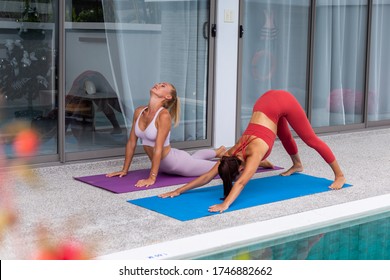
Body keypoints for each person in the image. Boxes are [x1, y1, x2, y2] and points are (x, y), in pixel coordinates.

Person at [159, 89, 346, 213]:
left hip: (281, 100)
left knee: (310, 139)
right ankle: (297, 164)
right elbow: (208, 176)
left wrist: (225, 204)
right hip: (265, 104)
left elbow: (241, 184)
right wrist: (178, 191)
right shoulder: (230, 155)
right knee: (285, 136)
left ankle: (339, 174)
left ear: (240, 169)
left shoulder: (254, 152)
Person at [106, 82, 230, 187]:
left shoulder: (163, 116)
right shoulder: (139, 111)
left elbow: (158, 148)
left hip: (177, 164)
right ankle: (217, 152)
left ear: (168, 97)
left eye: (162, 86)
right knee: (194, 158)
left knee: (222, 168)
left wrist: (152, 178)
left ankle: (235, 159)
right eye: (159, 84)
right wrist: (124, 170)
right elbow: (131, 142)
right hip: (169, 161)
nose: (158, 85)